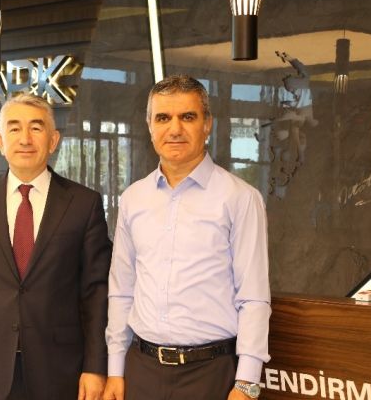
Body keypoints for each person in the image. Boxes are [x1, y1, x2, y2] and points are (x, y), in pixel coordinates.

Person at [0, 93, 112, 400]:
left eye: (36, 128)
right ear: (0, 142)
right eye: (14, 128)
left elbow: (96, 293)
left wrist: (96, 367)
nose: (25, 138)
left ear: (53, 141)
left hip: (60, 367)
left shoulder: (84, 203)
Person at [103, 75, 271, 400]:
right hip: (141, 370)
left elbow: (253, 298)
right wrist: (115, 370)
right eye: (163, 118)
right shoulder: (134, 198)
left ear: (207, 124)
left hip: (211, 375)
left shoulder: (240, 198)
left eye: (188, 117)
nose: (175, 129)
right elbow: (122, 291)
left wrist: (246, 384)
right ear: (150, 126)